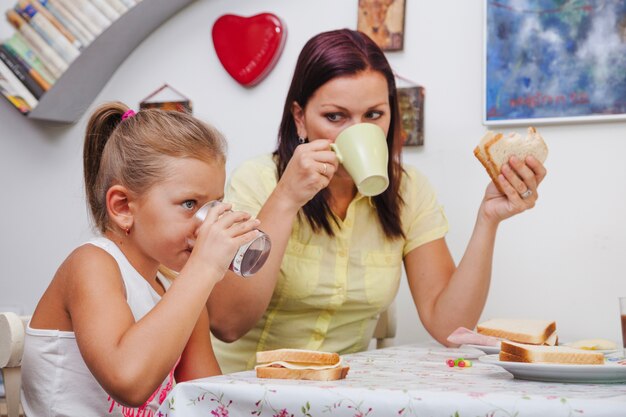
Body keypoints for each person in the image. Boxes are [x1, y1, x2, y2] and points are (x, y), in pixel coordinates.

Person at [207, 29, 547, 373]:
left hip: (339, 393)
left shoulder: (408, 191)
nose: (358, 131)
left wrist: (488, 219)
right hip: (246, 387)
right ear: (300, 118)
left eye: (373, 115)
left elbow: (449, 327)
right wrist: (285, 199)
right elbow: (228, 323)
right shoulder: (257, 181)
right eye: (335, 117)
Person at [20, 102, 261, 415]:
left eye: (216, 204)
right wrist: (203, 268)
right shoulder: (92, 265)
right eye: (190, 204)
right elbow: (129, 383)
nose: (207, 221)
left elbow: (208, 403)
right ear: (122, 207)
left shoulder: (179, 291)